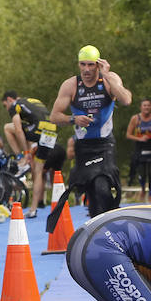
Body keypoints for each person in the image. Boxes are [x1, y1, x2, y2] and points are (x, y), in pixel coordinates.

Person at [51, 46, 132, 212]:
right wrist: (73, 119)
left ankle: (111, 216)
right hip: (83, 145)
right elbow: (54, 116)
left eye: (90, 65)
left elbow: (126, 100)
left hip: (104, 143)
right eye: (82, 65)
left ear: (98, 64)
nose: (86, 69)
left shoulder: (109, 79)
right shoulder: (71, 85)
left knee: (102, 185)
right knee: (91, 189)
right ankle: (97, 223)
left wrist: (108, 75)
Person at [1, 90, 64, 217]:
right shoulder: (32, 101)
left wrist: (26, 153)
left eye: (4, 105)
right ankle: (33, 209)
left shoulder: (15, 106)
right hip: (51, 131)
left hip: (38, 129)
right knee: (38, 171)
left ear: (9, 100)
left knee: (8, 128)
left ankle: (21, 157)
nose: (6, 108)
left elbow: (18, 130)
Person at [125, 99, 151, 201]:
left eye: (148, 105)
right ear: (141, 107)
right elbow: (128, 135)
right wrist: (139, 138)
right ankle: (143, 188)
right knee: (142, 172)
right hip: (140, 146)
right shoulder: (135, 119)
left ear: (150, 107)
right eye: (144, 105)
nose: (146, 107)